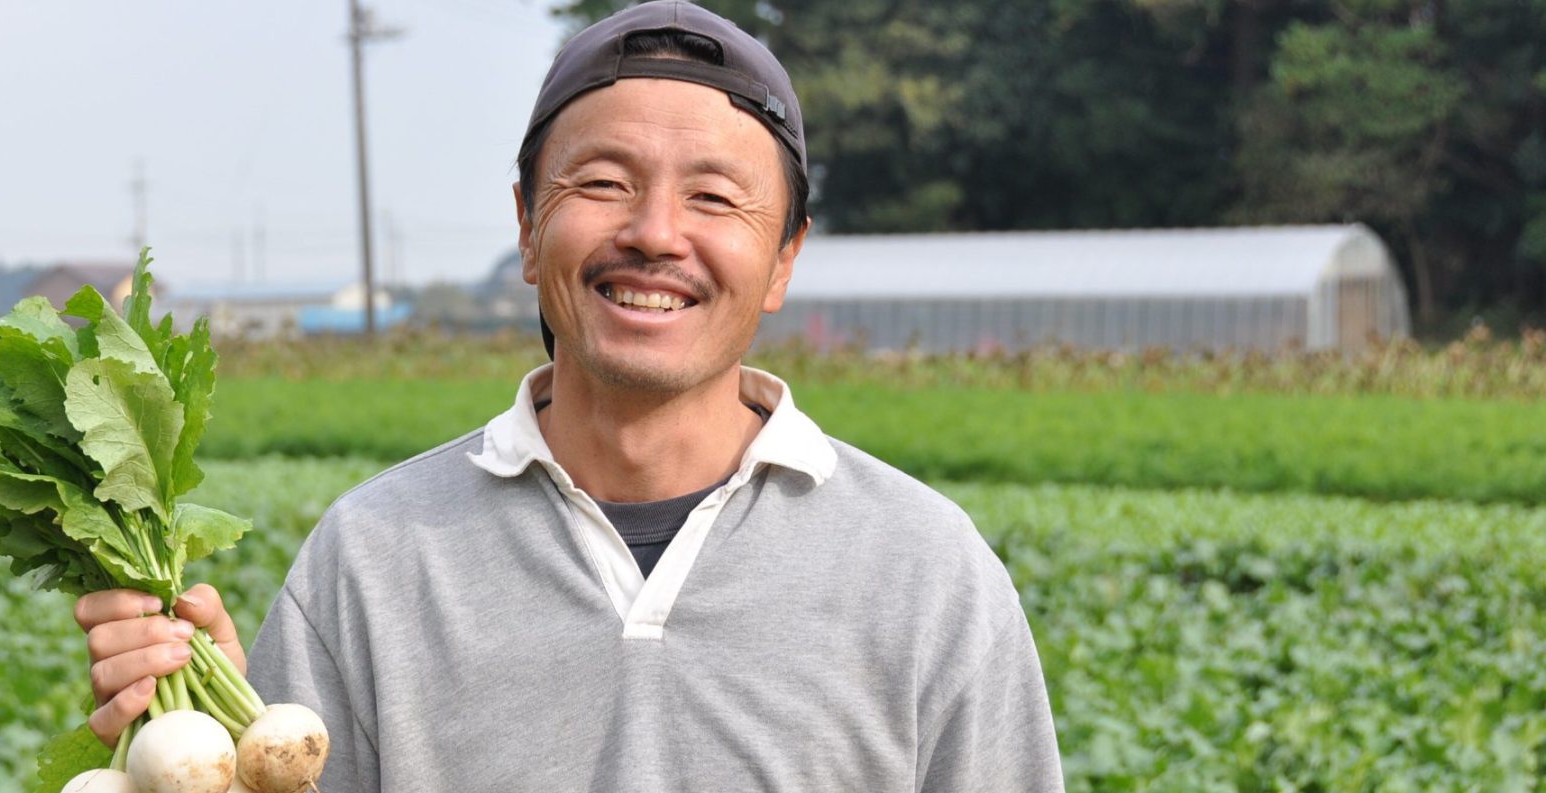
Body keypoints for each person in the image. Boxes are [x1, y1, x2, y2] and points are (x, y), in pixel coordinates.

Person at [74, 2, 1065, 789]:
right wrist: (205, 747)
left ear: (782, 261)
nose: (656, 234)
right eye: (602, 182)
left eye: (715, 198)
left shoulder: (926, 573)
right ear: (527, 225)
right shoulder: (373, 560)